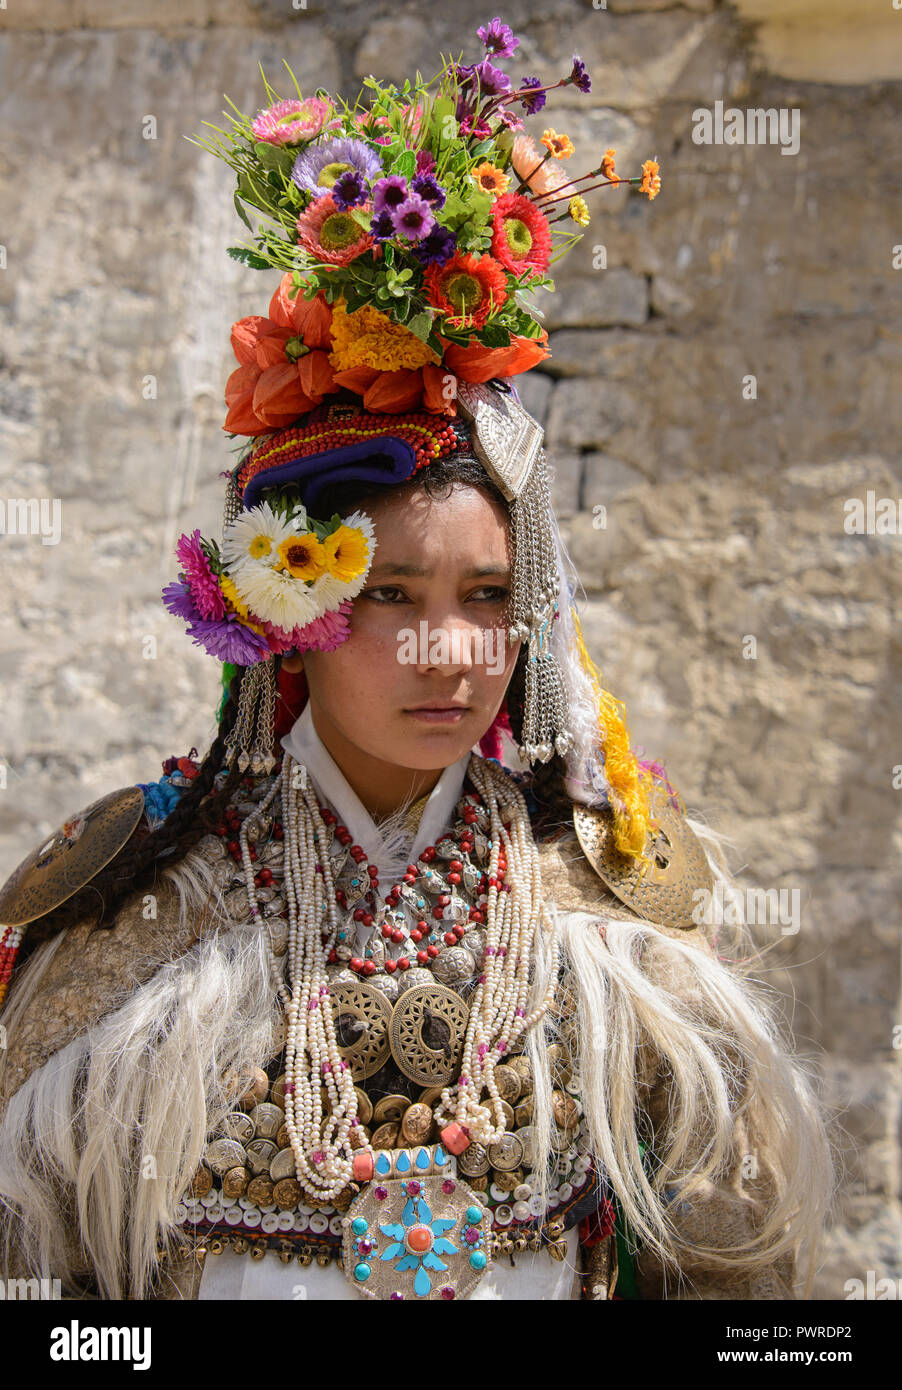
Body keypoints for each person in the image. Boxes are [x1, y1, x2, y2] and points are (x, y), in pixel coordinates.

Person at [0, 23, 832, 1302]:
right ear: (292, 608)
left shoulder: (614, 939)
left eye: (488, 596)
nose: (451, 651)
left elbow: (743, 1291)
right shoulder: (137, 929)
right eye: (390, 593)